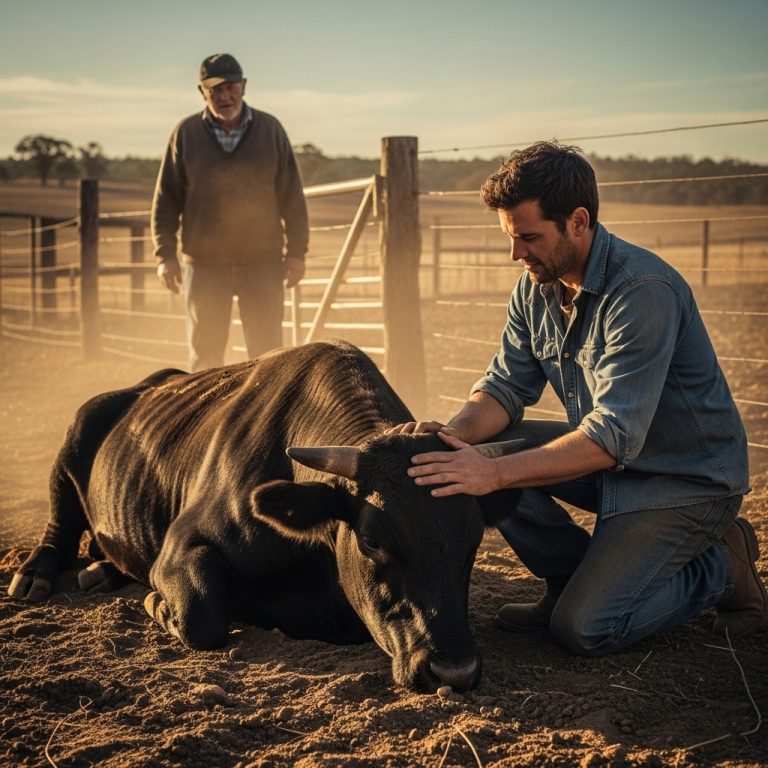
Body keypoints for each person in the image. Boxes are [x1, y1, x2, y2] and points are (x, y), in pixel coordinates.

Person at [388, 141, 766, 655]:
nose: (516, 253)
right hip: (613, 462)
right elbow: (505, 387)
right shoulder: (535, 285)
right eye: (510, 237)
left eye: (529, 237)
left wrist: (492, 473)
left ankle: (723, 568)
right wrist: (453, 437)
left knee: (585, 629)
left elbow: (612, 435)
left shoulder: (642, 291)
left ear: (579, 222)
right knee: (472, 453)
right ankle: (568, 580)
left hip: (682, 479)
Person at [151, 53, 309, 371]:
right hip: (204, 265)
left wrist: (296, 252)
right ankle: (208, 407)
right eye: (216, 90)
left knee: (269, 357)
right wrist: (164, 255)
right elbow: (166, 199)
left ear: (243, 86)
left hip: (262, 262)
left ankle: (266, 407)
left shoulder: (271, 130)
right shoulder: (185, 134)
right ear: (203, 92)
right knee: (205, 359)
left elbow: (292, 196)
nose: (225, 96)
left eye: (231, 88)